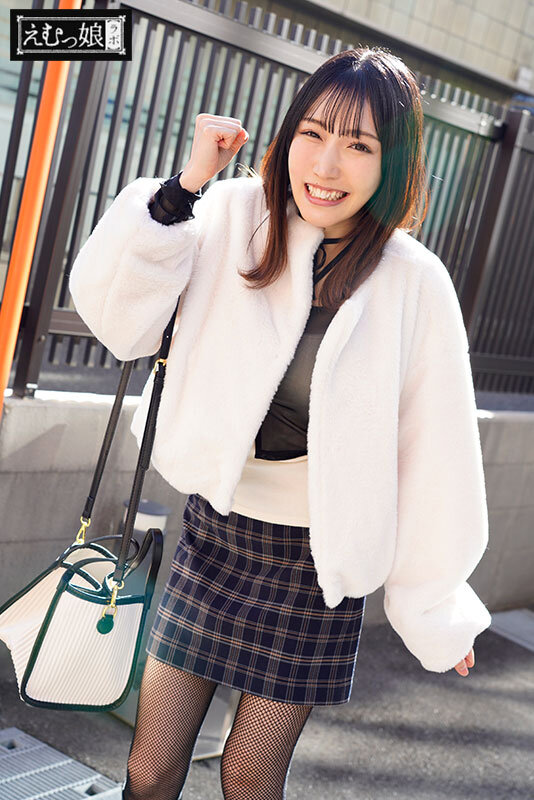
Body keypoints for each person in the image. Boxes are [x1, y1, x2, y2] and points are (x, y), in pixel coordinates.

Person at [69, 46, 492, 800]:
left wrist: (436, 606)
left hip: (315, 568)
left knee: (249, 776)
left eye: (359, 145)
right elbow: (120, 321)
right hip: (214, 534)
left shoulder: (414, 283)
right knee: (149, 768)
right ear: (288, 135)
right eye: (313, 134)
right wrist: (185, 187)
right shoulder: (234, 216)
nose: (327, 165)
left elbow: (436, 452)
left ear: (393, 162)